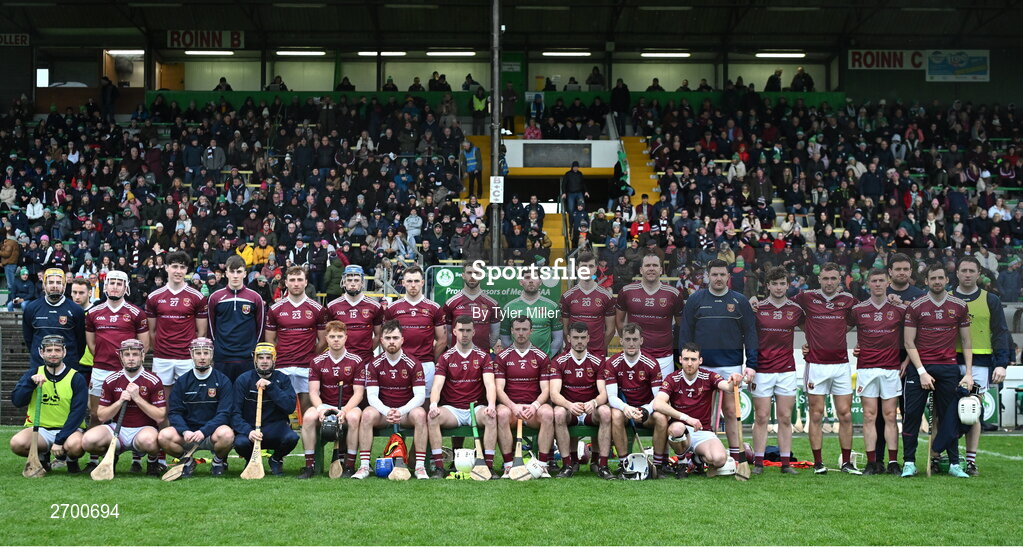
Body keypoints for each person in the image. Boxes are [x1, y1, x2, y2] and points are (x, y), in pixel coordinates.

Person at [756, 262, 859, 474]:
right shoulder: (805, 298)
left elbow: (863, 317)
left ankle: (847, 462)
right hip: (813, 364)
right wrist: (752, 301)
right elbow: (785, 309)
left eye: (833, 278)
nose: (829, 282)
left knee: (845, 414)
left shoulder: (848, 300)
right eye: (825, 278)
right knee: (815, 414)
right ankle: (818, 463)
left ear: (839, 279)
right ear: (818, 279)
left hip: (841, 363)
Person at [680, 259, 757, 469]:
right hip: (700, 367)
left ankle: (737, 458)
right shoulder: (696, 299)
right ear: (708, 276)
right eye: (714, 274)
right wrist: (686, 362)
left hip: (730, 366)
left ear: (728, 276)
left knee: (731, 412)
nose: (718, 278)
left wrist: (751, 364)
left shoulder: (739, 301)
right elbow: (685, 334)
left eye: (722, 274)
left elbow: (750, 334)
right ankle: (695, 458)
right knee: (698, 414)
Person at [902, 263, 973, 478]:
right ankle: (909, 463)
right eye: (933, 278)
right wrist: (922, 371)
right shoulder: (916, 306)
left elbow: (966, 340)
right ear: (926, 281)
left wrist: (968, 373)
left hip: (948, 368)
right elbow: (908, 342)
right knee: (912, 415)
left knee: (949, 416)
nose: (937, 281)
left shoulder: (959, 305)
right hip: (920, 368)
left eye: (940, 278)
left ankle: (953, 464)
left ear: (947, 279)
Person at [84, 270, 149, 470]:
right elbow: (92, 345)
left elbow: (144, 345)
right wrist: (107, 360)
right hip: (101, 370)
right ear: (105, 285)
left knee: (136, 413)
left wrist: (127, 365)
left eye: (119, 283)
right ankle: (95, 459)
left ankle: (137, 460)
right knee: (96, 414)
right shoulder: (93, 313)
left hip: (129, 372)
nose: (115, 286)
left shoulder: (136, 313)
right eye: (111, 282)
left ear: (126, 287)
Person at [952, 256, 1010, 476]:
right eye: (963, 270)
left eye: (971, 271)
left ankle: (971, 461)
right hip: (950, 362)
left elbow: (1001, 332)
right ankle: (940, 457)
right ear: (957, 273)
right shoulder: (947, 298)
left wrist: (1002, 363)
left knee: (971, 411)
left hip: (980, 364)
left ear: (979, 274)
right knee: (945, 412)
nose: (967, 274)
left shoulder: (991, 300)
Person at [353, 320, 430, 480]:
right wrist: (387, 411)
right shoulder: (374, 364)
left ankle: (420, 467)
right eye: (388, 338)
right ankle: (364, 466)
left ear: (402, 339)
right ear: (381, 340)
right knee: (366, 414)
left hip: (405, 413)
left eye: (395, 338)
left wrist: (400, 411)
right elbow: (372, 396)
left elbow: (420, 396)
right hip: (384, 413)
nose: (392, 342)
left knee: (421, 414)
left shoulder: (413, 363)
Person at [654, 342, 743, 478]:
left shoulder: (708, 376)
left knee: (719, 459)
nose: (689, 363)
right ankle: (682, 462)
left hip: (703, 431)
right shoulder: (672, 378)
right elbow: (658, 403)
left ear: (700, 361)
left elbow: (727, 386)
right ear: (680, 360)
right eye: (686, 359)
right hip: (681, 430)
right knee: (676, 428)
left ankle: (696, 460)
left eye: (693, 359)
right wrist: (686, 418)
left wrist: (735, 380)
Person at [850, 269, 907, 475]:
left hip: (891, 369)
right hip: (866, 369)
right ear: (868, 284)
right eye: (874, 281)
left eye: (881, 280)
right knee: (869, 416)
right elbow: (838, 328)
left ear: (888, 282)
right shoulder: (858, 310)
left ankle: (893, 462)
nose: (878, 284)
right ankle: (872, 463)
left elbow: (914, 335)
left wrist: (907, 361)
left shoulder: (899, 310)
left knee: (891, 416)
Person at [81, 339, 166, 476]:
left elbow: (160, 416)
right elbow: (101, 415)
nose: (131, 358)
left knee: (149, 441)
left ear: (143, 356)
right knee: (88, 440)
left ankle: (152, 463)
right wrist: (120, 401)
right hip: (117, 429)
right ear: (121, 357)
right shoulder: (111, 380)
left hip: (143, 429)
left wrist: (137, 398)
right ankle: (111, 457)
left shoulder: (153, 380)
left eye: (135, 354)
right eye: (127, 354)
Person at [428, 316, 498, 478]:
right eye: (461, 330)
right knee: (433, 418)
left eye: (468, 330)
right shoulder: (446, 357)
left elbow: (490, 384)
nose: (464, 334)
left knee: (491, 418)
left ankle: (487, 466)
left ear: (473, 332)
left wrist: (492, 405)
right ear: (454, 332)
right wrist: (433, 404)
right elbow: (437, 385)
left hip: (477, 408)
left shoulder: (483, 356)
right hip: (453, 410)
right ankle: (439, 467)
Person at [750, 267, 803, 475]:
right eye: (775, 283)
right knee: (761, 417)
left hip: (787, 370)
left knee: (784, 417)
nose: (779, 287)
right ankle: (759, 463)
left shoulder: (796, 309)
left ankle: (786, 464)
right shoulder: (758, 308)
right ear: (768, 286)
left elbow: (813, 329)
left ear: (787, 285)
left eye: (782, 283)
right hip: (762, 370)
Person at [157, 338, 236, 478]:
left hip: (212, 434)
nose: (202, 357)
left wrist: (204, 431)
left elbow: (224, 413)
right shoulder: (183, 381)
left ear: (211, 355)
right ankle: (187, 460)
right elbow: (175, 412)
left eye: (206, 353)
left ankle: (218, 461)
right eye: (198, 353)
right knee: (164, 436)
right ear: (191, 355)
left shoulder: (222, 380)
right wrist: (184, 430)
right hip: (188, 435)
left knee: (227, 434)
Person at [9, 335, 88, 474]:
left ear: (64, 352)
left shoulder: (76, 377)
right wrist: (30, 383)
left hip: (69, 430)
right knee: (17, 443)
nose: (53, 354)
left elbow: (78, 412)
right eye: (49, 350)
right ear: (41, 353)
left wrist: (59, 440)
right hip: (40, 430)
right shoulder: (33, 373)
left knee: (76, 445)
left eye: (57, 350)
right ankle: (42, 457)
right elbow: (17, 401)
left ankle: (71, 460)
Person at [297, 321, 365, 479]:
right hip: (325, 404)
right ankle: (309, 466)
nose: (336, 340)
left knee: (354, 418)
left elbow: (358, 393)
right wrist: (320, 408)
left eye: (339, 336)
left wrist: (345, 411)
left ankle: (349, 465)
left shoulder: (356, 360)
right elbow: (313, 392)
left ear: (346, 338)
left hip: (348, 405)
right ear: (326, 338)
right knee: (308, 417)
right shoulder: (317, 361)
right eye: (332, 336)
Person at [549, 322, 615, 479]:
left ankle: (603, 465)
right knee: (558, 413)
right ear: (569, 338)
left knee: (605, 411)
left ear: (588, 339)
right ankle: (567, 465)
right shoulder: (559, 361)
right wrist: (569, 405)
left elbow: (603, 394)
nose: (579, 341)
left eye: (583, 337)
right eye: (576, 337)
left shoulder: (598, 361)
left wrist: (594, 403)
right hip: (569, 409)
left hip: (589, 411)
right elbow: (554, 394)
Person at [603, 323, 668, 476]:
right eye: (627, 339)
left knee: (661, 418)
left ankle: (658, 465)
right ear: (621, 342)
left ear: (641, 341)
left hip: (646, 411)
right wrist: (626, 408)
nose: (631, 343)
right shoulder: (612, 363)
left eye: (634, 339)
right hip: (625, 409)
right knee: (615, 415)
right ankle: (624, 463)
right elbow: (611, 396)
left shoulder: (651, 363)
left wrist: (646, 410)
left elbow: (658, 397)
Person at [494, 316, 555, 478]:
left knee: (548, 413)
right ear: (512, 331)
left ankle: (542, 465)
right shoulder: (503, 357)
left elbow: (546, 389)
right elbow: (499, 389)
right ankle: (508, 465)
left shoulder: (541, 356)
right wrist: (513, 406)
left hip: (533, 408)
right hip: (511, 408)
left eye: (524, 329)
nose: (521, 333)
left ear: (531, 331)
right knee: (501, 413)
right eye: (517, 329)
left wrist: (534, 406)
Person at [265, 265, 327, 415]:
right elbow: (270, 340)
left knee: (308, 415)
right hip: (282, 366)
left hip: (306, 367)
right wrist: (282, 353)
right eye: (292, 280)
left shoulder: (317, 308)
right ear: (286, 282)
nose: (296, 283)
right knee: (278, 413)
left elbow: (323, 340)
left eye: (300, 280)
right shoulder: (275, 308)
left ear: (306, 282)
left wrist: (311, 354)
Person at [232, 343, 299, 477]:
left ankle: (276, 458)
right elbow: (234, 413)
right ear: (255, 359)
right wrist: (248, 431)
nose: (264, 361)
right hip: (251, 429)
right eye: (260, 357)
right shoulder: (243, 380)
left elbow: (289, 407)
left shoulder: (283, 379)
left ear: (274, 359)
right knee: (240, 443)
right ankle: (250, 459)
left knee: (292, 438)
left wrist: (272, 387)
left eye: (268, 357)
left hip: (275, 428)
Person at [147, 251, 208, 392]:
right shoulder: (154, 297)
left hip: (186, 357)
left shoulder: (197, 297)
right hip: (162, 356)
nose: (178, 271)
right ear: (167, 267)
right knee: (162, 397)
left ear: (186, 270)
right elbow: (152, 330)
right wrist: (160, 349)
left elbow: (201, 331)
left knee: (188, 396)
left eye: (182, 267)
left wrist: (194, 354)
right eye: (174, 266)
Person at [616, 252, 684, 378]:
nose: (651, 268)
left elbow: (681, 324)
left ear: (661, 270)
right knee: (635, 396)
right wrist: (629, 343)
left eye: (654, 265)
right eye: (647, 266)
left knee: (663, 396)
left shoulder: (673, 294)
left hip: (664, 357)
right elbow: (619, 322)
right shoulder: (627, 291)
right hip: (635, 356)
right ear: (641, 270)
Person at [383, 265, 446, 396]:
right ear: (403, 283)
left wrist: (431, 359)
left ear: (422, 283)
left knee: (426, 403)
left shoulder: (434, 308)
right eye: (409, 281)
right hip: (399, 364)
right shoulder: (393, 308)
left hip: (426, 364)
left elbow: (442, 339)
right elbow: (386, 338)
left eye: (417, 281)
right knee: (398, 401)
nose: (413, 285)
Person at [207, 255, 265, 381]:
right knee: (223, 396)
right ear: (226, 273)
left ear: (245, 273)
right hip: (222, 357)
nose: (235, 275)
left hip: (247, 357)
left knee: (245, 397)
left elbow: (260, 328)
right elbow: (211, 327)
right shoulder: (215, 297)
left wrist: (254, 350)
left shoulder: (255, 297)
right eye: (232, 271)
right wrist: (215, 349)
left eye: (238, 271)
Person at [23, 268, 86, 372]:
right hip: (39, 368)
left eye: (59, 282)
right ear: (44, 285)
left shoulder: (76, 310)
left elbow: (81, 342)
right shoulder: (31, 308)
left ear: (64, 285)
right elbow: (28, 339)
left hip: (68, 367)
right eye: (51, 282)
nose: (55, 286)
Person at [561, 252, 616, 359]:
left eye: (590, 266)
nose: (587, 270)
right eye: (583, 266)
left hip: (597, 352)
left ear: (596, 268)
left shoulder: (606, 296)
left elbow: (611, 329)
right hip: (573, 352)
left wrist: (600, 348)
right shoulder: (567, 296)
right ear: (577, 268)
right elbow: (565, 328)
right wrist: (571, 345)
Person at [326, 265, 383, 363]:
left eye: (356, 280)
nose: (352, 283)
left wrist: (367, 351)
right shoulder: (332, 306)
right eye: (349, 280)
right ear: (344, 282)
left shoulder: (375, 306)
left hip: (365, 361)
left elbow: (379, 335)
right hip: (340, 361)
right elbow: (327, 335)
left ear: (362, 282)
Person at [500, 268, 563, 357]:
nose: (530, 281)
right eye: (527, 277)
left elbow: (558, 339)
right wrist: (516, 357)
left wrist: (546, 358)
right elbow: (505, 339)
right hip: (517, 362)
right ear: (521, 282)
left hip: (544, 363)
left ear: (540, 281)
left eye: (534, 277)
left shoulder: (552, 306)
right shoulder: (509, 307)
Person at [444, 262, 500, 351]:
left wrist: (483, 349)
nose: (473, 276)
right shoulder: (450, 303)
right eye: (469, 273)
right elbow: (448, 333)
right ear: (463, 275)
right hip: (457, 357)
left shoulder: (493, 304)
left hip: (483, 357)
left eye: (476, 273)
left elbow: (495, 333)